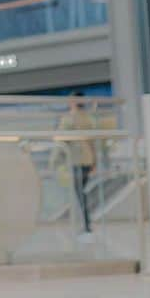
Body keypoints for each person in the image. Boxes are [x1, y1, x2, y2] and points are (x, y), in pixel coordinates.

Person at [57, 94, 98, 239]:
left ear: (74, 102)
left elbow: (61, 140)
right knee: (82, 193)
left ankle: (86, 225)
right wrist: (95, 162)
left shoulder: (68, 118)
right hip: (88, 160)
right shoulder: (88, 118)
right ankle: (86, 224)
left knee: (80, 193)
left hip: (75, 160)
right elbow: (93, 143)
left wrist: (56, 160)